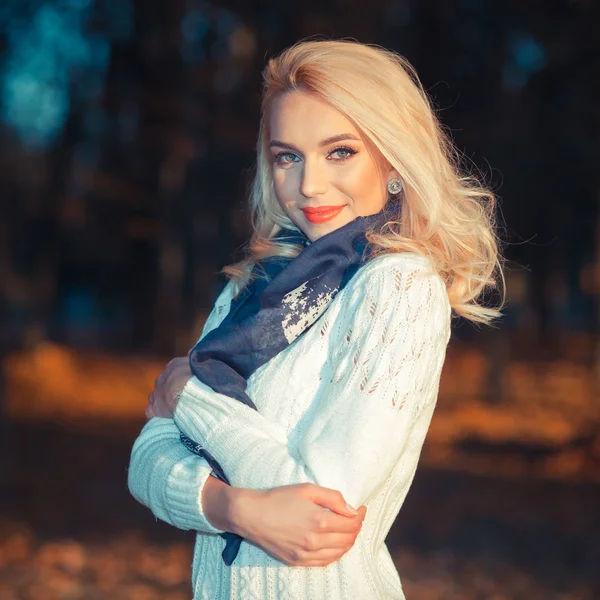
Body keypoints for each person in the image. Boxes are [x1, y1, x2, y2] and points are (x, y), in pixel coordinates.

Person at [127, 39, 502, 599]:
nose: (309, 185)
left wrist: (188, 396)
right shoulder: (252, 288)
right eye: (288, 156)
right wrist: (233, 508)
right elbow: (146, 462)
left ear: (393, 160)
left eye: (340, 152)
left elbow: (322, 500)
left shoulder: (398, 286)